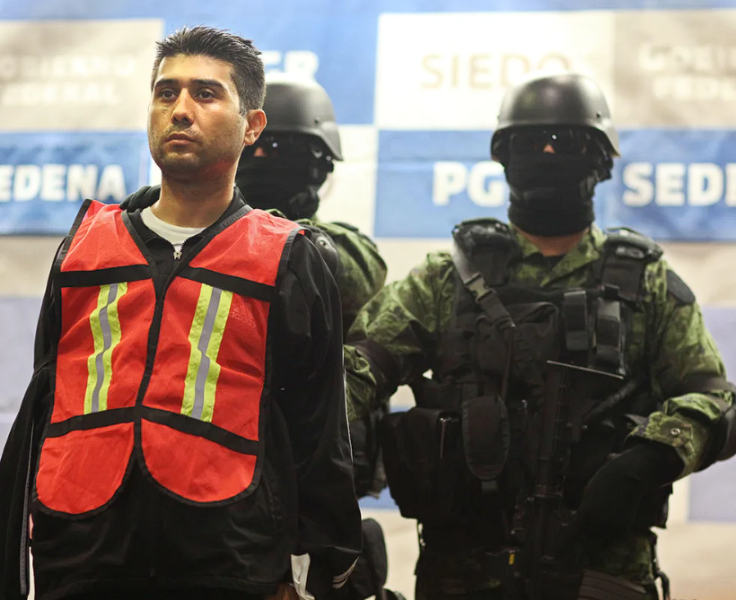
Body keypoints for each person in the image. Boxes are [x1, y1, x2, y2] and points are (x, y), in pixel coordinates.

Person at [0, 25, 361, 600]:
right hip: (82, 559)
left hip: (230, 563)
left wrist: (320, 564)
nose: (181, 110)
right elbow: (46, 402)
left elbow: (318, 430)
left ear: (252, 126)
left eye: (206, 93)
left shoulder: (287, 257)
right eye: (166, 93)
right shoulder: (84, 248)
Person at [344, 71, 734, 600]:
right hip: (461, 571)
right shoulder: (446, 278)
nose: (548, 154)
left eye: (567, 142)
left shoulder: (646, 280)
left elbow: (716, 401)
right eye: (530, 143)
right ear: (504, 158)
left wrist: (651, 459)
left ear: (601, 162)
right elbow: (360, 367)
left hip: (603, 567)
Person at [234, 73, 387, 337]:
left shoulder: (347, 250)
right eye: (249, 146)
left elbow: (360, 277)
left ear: (319, 162)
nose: (259, 155)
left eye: (277, 147)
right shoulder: (198, 230)